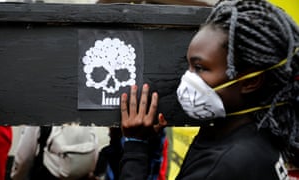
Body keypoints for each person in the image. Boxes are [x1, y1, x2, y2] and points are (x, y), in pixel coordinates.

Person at [119, 0, 299, 179]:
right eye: (188, 66)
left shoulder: (226, 164)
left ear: (249, 81)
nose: (187, 80)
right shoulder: (258, 132)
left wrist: (136, 146)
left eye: (200, 68)